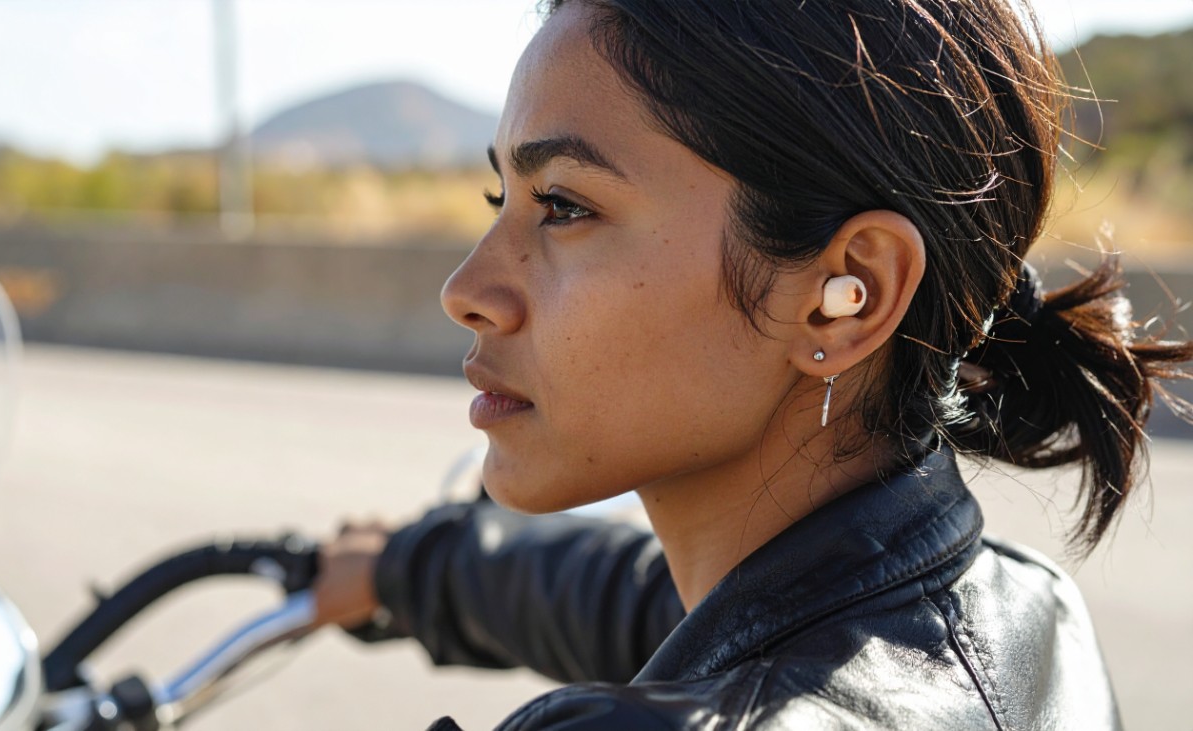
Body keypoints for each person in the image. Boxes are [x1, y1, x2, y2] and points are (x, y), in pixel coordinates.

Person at [311, 1, 1192, 728]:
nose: (466, 290)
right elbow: (632, 595)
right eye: (499, 197)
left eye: (565, 206)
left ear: (848, 293)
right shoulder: (1031, 612)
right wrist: (410, 567)